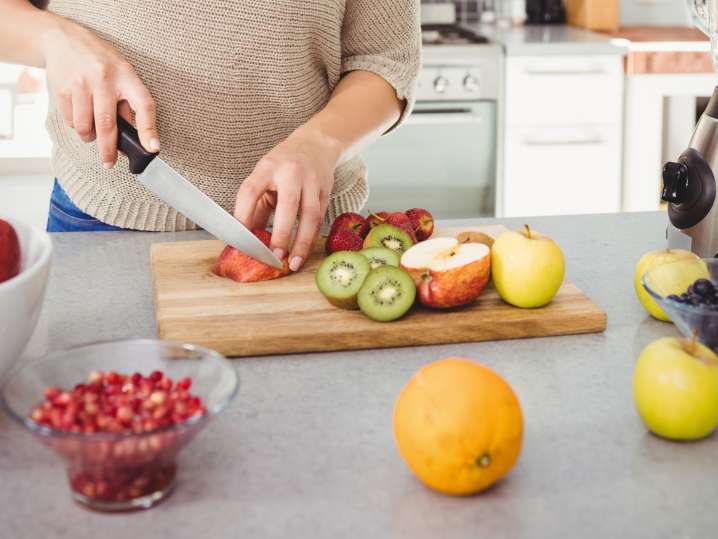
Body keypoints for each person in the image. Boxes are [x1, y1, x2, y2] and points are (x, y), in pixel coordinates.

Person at [1, 0, 420, 271]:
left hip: (300, 228)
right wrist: (54, 37)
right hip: (101, 217)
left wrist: (322, 143)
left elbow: (385, 61)